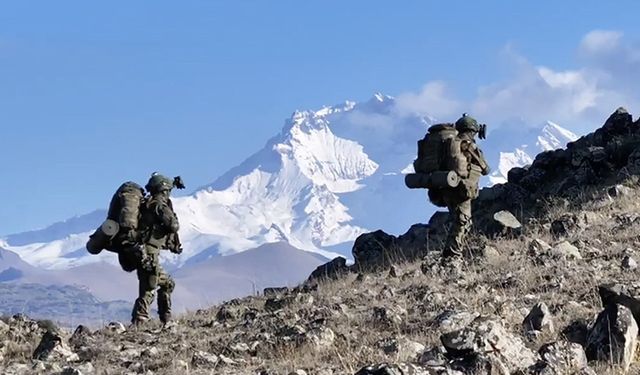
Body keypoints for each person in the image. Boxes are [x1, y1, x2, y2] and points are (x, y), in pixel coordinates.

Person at [131, 173, 183, 325]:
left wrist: (174, 183)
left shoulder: (148, 203)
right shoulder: (159, 205)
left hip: (141, 250)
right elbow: (173, 225)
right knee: (151, 285)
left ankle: (157, 318)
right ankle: (146, 319)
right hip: (149, 252)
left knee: (151, 284)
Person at [441, 114, 490, 259]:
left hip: (446, 186)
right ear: (472, 130)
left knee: (457, 219)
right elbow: (486, 169)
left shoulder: (449, 144)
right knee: (463, 221)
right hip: (461, 190)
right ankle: (452, 255)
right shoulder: (468, 145)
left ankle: (451, 252)